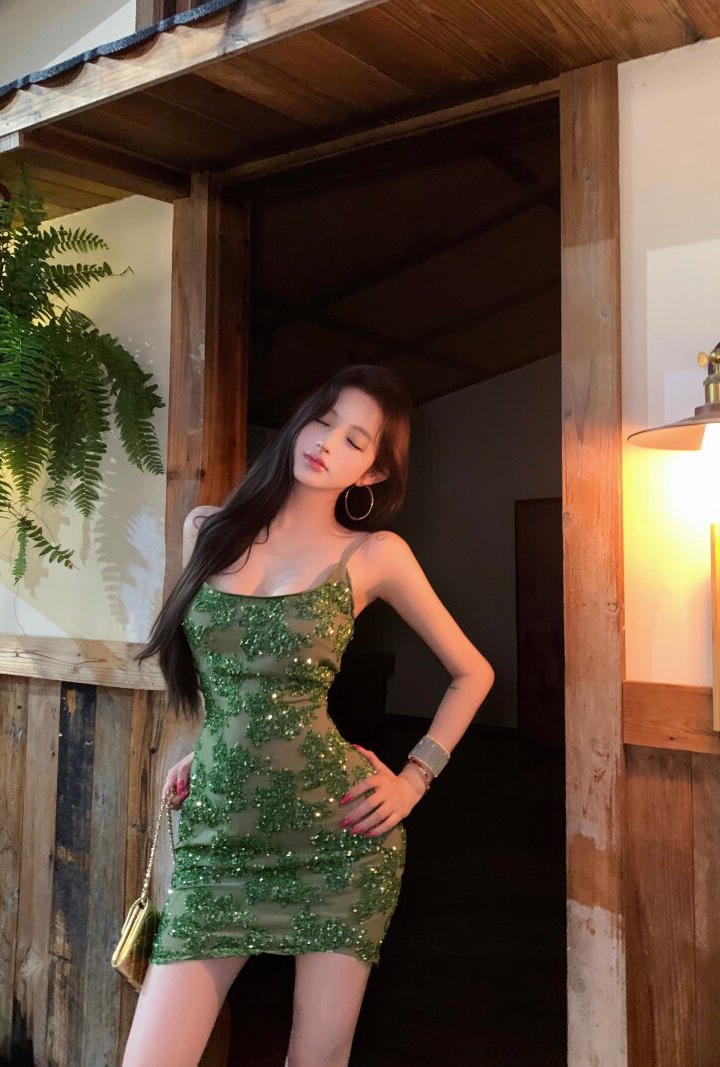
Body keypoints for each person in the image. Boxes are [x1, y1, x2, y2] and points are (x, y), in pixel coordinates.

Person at [122, 364, 495, 1067]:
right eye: (323, 420)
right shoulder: (207, 529)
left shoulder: (375, 553)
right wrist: (214, 747)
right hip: (217, 841)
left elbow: (474, 672)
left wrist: (414, 780)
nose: (326, 442)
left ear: (372, 473)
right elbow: (230, 678)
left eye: (354, 439)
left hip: (339, 844)